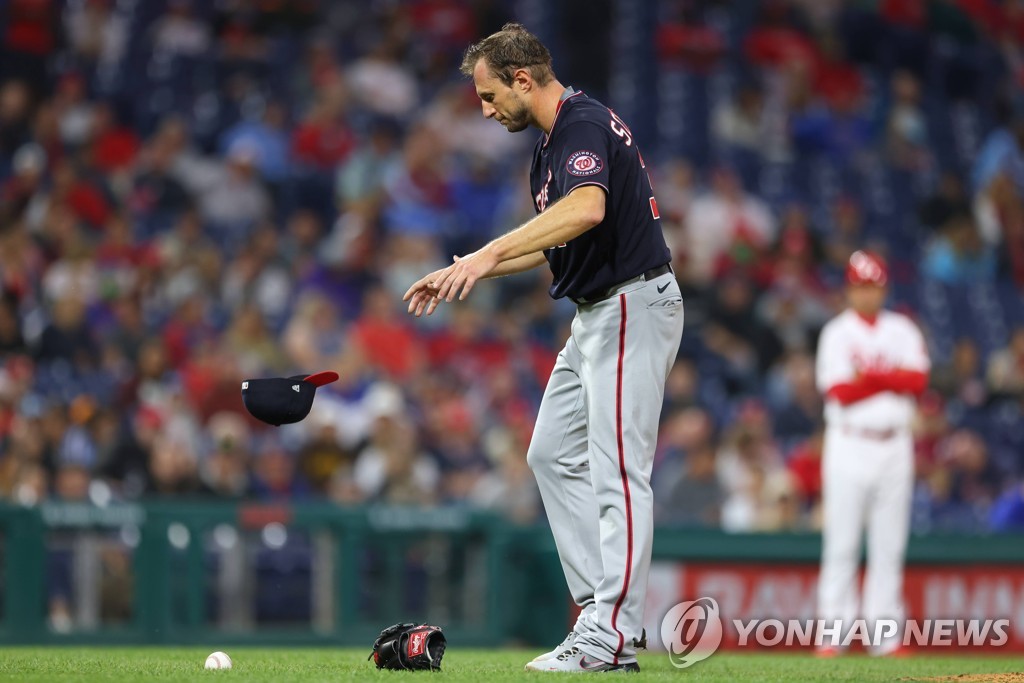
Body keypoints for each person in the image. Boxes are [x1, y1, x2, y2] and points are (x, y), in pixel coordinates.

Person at [403, 23, 684, 673]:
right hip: (596, 312)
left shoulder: (581, 123)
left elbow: (586, 208)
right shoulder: (553, 142)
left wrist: (486, 250)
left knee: (618, 471)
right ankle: (597, 617)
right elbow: (551, 241)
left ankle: (611, 633)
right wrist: (467, 269)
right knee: (550, 453)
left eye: (487, 93)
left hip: (630, 303)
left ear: (521, 79)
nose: (484, 107)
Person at [815, 251, 930, 656]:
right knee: (842, 544)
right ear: (849, 288)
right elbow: (839, 390)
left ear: (884, 287)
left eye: (875, 285)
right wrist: (890, 379)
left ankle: (885, 638)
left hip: (895, 444)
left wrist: (872, 377)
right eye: (861, 285)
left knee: (889, 546)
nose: (868, 293)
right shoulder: (836, 332)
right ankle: (833, 636)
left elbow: (917, 380)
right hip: (849, 442)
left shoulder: (902, 329)